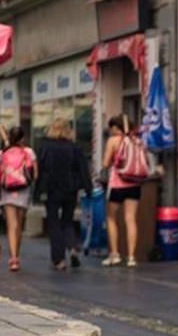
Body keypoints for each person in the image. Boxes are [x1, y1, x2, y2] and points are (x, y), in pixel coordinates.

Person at [36, 117, 93, 271]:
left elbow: (40, 171)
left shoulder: (45, 147)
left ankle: (59, 260)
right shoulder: (74, 148)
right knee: (67, 221)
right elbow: (83, 170)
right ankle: (72, 248)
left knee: (54, 223)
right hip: (70, 190)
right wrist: (88, 189)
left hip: (52, 190)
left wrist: (37, 192)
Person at [102, 113, 145, 268]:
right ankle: (131, 257)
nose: (111, 131)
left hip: (117, 184)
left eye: (112, 128)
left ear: (116, 127)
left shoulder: (113, 141)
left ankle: (115, 254)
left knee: (111, 218)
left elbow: (106, 163)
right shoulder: (137, 141)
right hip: (134, 184)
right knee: (130, 219)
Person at [0, 124, 36, 271]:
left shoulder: (3, 152)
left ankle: (13, 258)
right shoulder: (28, 152)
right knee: (19, 224)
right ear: (23, 138)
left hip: (7, 191)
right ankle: (16, 253)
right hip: (24, 191)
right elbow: (35, 174)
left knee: (11, 225)